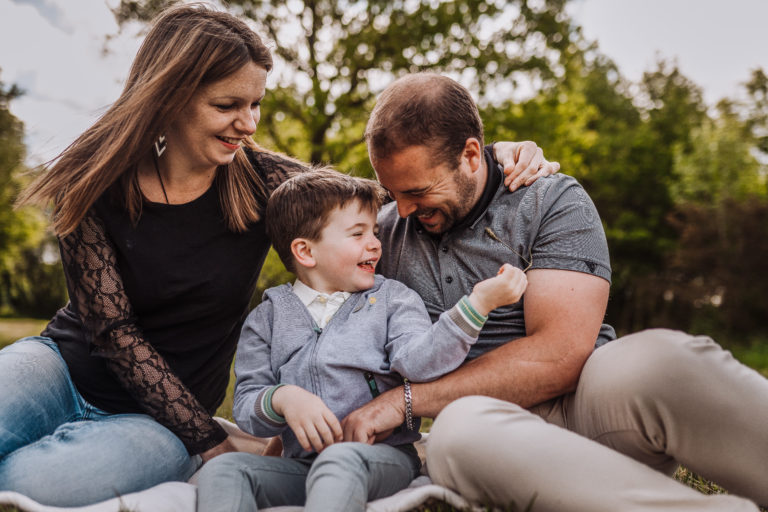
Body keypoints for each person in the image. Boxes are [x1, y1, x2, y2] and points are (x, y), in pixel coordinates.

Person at [1, 5, 553, 506]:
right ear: (169, 96)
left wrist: (486, 160)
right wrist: (213, 435)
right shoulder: (95, 177)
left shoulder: (267, 184)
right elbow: (113, 330)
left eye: (256, 103)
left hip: (162, 421)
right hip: (59, 367)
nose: (249, 123)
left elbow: (393, 192)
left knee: (31, 485)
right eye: (227, 105)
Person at [341, 72, 768, 512]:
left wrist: (406, 402)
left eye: (417, 191)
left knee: (662, 357)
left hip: (592, 413)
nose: (404, 209)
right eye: (392, 192)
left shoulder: (550, 200)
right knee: (456, 431)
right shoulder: (381, 237)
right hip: (498, 443)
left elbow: (558, 356)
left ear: (470, 155)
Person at [195, 169, 527, 511]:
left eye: (375, 232)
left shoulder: (392, 300)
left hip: (380, 457)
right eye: (358, 233)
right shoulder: (266, 319)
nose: (375, 243)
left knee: (338, 462)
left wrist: (478, 304)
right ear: (305, 252)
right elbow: (248, 408)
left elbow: (420, 362)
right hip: (302, 466)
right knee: (223, 468)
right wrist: (283, 398)